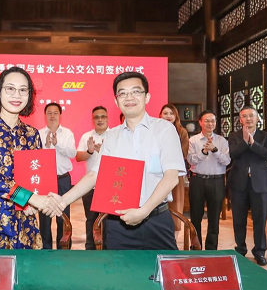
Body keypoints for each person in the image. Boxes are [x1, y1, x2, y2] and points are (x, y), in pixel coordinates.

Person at [49, 72, 186, 250]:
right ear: (116, 101)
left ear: (147, 97)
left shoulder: (164, 130)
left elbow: (171, 177)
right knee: (118, 268)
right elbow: (94, 175)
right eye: (122, 93)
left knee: (162, 267)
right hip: (118, 223)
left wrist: (143, 211)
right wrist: (62, 201)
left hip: (156, 220)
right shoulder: (112, 136)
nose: (129, 97)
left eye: (136, 91)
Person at [0, 67, 61, 249]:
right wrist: (31, 197)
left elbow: (35, 177)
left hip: (23, 218)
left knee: (26, 266)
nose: (17, 95)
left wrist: (35, 202)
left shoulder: (31, 134)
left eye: (23, 90)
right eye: (10, 88)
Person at [227, 106, 267, 265]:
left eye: (251, 116)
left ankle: (260, 251)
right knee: (238, 219)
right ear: (240, 120)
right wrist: (245, 142)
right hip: (238, 182)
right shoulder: (234, 136)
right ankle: (240, 249)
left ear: (257, 118)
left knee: (260, 219)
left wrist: (253, 143)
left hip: (260, 184)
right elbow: (232, 154)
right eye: (244, 116)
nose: (248, 119)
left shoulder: (266, 136)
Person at [187, 110, 230, 250]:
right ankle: (196, 247)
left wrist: (215, 150)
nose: (210, 123)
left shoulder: (222, 141)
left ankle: (212, 248)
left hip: (216, 181)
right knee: (196, 216)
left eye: (213, 121)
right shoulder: (193, 140)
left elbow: (227, 161)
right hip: (197, 180)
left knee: (214, 217)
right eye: (207, 121)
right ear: (200, 122)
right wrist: (204, 152)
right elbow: (190, 160)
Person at [39, 102, 76, 249]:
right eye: (49, 113)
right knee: (45, 217)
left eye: (55, 113)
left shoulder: (67, 133)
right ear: (45, 115)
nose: (52, 116)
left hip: (63, 179)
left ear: (60, 115)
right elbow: (34, 158)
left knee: (63, 216)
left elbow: (72, 153)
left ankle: (64, 249)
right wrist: (47, 146)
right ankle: (45, 249)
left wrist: (57, 144)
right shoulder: (39, 134)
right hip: (45, 180)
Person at [75, 106, 109, 250]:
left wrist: (105, 152)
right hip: (90, 186)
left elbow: (122, 159)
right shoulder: (86, 136)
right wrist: (89, 151)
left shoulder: (115, 135)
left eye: (103, 116)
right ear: (92, 120)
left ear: (107, 118)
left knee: (108, 220)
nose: (100, 119)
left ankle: (107, 248)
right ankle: (90, 248)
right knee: (91, 219)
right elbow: (78, 157)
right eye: (96, 117)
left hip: (109, 186)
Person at [159, 104, 189, 235]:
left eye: (171, 113)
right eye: (165, 113)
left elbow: (183, 154)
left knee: (175, 207)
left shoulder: (182, 132)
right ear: (160, 115)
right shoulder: (154, 131)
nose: (168, 116)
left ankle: (174, 240)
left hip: (175, 175)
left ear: (176, 116)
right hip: (157, 174)